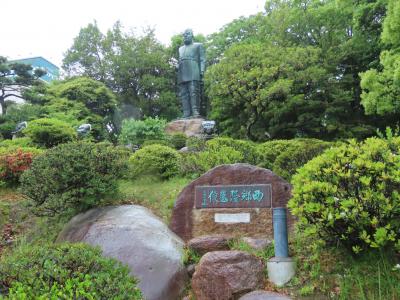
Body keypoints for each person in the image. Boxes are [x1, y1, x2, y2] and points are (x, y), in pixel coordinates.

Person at [178, 29, 206, 118]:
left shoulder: (198, 45)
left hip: (194, 70)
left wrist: (202, 71)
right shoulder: (180, 48)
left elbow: (202, 59)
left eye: (187, 34)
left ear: (192, 35)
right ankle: (186, 112)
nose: (185, 36)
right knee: (184, 93)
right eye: (184, 35)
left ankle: (195, 111)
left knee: (194, 91)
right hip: (182, 72)